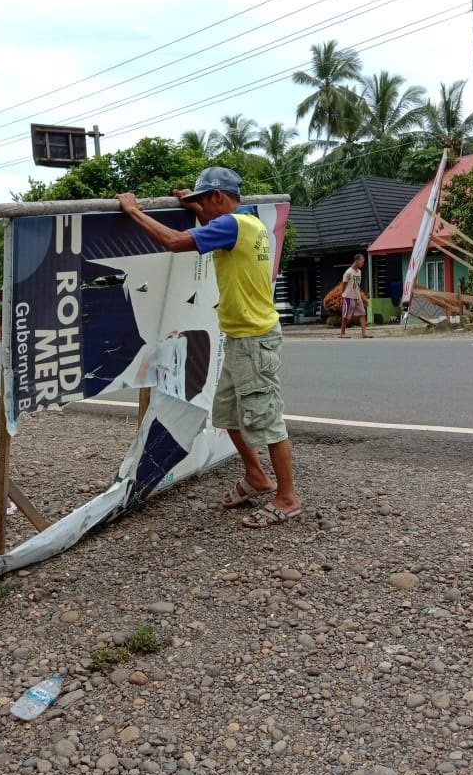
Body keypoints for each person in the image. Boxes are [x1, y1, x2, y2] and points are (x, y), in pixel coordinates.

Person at [117, 166, 302, 528]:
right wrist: (195, 205)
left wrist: (133, 211)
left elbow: (174, 242)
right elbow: (207, 227)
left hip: (254, 340)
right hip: (241, 339)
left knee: (267, 421)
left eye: (205, 201)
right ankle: (256, 476)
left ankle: (288, 497)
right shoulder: (249, 225)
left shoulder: (233, 225)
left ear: (219, 197)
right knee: (227, 415)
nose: (201, 208)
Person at [340, 254, 369, 338]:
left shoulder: (359, 272)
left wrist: (361, 295)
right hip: (349, 297)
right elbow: (344, 284)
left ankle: (364, 334)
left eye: (363, 262)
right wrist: (342, 295)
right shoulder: (348, 272)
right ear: (356, 261)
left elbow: (357, 285)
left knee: (362, 314)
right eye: (362, 261)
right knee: (346, 316)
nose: (363, 263)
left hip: (357, 296)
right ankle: (342, 333)